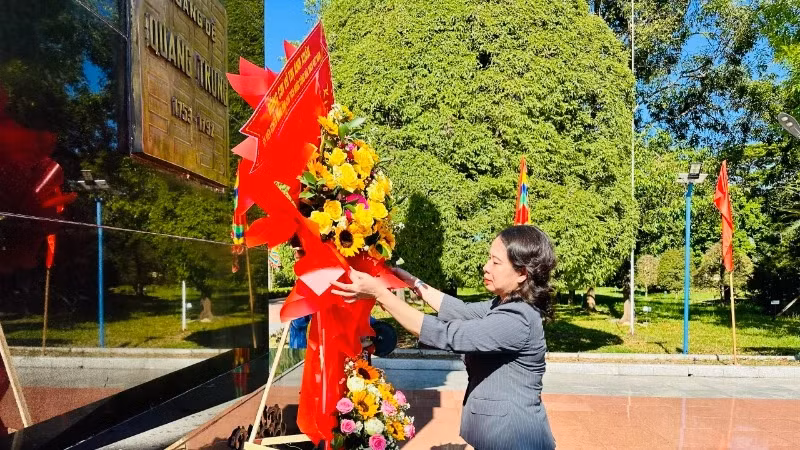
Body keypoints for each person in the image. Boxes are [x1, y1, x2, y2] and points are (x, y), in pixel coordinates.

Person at [331, 225, 557, 450]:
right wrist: (412, 282)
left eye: (496, 262)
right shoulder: (505, 303)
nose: (486, 267)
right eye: (489, 258)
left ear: (522, 273)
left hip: (514, 438)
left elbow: (446, 334)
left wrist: (380, 294)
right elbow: (461, 310)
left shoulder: (517, 319)